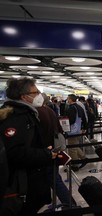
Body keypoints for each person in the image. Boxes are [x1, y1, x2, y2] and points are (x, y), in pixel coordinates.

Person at [0, 78, 59, 215]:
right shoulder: (17, 118)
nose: (39, 94)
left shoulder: (24, 114)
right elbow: (14, 152)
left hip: (24, 182)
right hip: (20, 185)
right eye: (36, 91)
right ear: (24, 96)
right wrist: (46, 154)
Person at [37, 93, 77, 207]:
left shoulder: (38, 113)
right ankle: (67, 202)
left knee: (54, 179)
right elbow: (59, 129)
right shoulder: (50, 111)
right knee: (55, 178)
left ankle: (69, 203)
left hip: (45, 151)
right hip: (54, 148)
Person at [66, 94, 88, 171]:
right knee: (74, 145)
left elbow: (70, 120)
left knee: (72, 148)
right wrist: (84, 127)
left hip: (72, 131)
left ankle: (75, 165)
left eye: (68, 99)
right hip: (79, 130)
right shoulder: (79, 107)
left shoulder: (71, 108)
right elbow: (84, 118)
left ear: (71, 99)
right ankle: (83, 158)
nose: (67, 100)